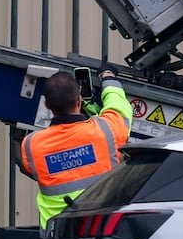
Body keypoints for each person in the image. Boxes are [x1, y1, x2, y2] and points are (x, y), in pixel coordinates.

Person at [19, 68, 134, 230]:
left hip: (57, 236)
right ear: (79, 101)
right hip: (103, 230)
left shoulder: (31, 145)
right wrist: (108, 78)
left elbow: (32, 169)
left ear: (47, 105)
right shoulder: (105, 130)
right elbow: (119, 107)